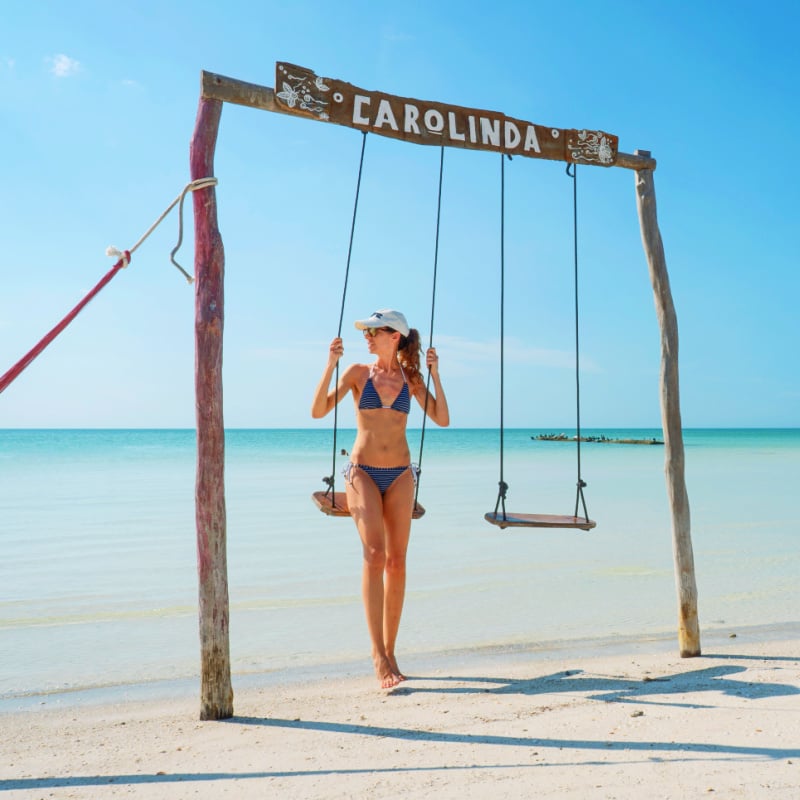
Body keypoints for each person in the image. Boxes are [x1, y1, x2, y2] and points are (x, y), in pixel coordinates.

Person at [311, 309, 450, 688]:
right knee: (374, 555)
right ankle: (377, 654)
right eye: (367, 332)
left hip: (401, 474)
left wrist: (435, 375)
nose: (367, 337)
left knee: (397, 563)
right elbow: (318, 410)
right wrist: (330, 364)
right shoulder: (358, 373)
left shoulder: (410, 378)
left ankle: (391, 652)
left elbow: (441, 418)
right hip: (363, 474)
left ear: (395, 336)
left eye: (374, 331)